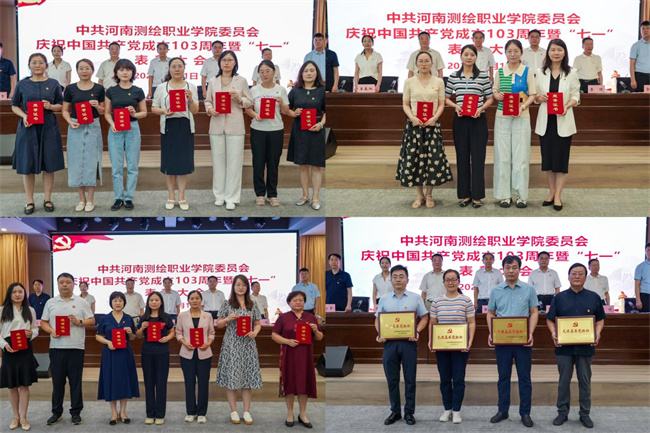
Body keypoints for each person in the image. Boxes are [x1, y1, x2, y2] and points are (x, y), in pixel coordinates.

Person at [546, 263, 606, 429]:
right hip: (563, 348)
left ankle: (584, 414)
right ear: (568, 277)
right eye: (574, 273)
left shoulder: (594, 297)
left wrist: (598, 333)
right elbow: (550, 319)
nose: (577, 276)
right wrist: (553, 332)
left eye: (580, 274)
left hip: (585, 347)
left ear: (586, 277)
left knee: (585, 381)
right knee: (564, 381)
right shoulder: (559, 297)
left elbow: (600, 319)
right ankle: (562, 412)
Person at [487, 255, 538, 428]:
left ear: (519, 269)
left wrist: (530, 332)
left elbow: (534, 312)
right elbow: (490, 313)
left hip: (522, 340)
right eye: (507, 267)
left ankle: (525, 413)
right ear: (503, 269)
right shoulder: (496, 290)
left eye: (514, 267)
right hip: (502, 340)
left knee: (525, 378)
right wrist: (492, 332)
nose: (511, 271)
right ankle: (503, 410)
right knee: (503, 376)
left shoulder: (529, 289)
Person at [11, 53, 64, 215]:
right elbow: (14, 105)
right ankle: (30, 201)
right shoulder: (22, 84)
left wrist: (50, 106)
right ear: (29, 66)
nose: (37, 65)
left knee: (49, 165)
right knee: (27, 165)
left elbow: (60, 105)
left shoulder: (53, 83)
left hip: (48, 127)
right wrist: (24, 116)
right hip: (28, 127)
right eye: (34, 62)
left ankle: (47, 199)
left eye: (41, 62)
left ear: (46, 66)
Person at [398, 51, 453, 208]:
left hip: (432, 126)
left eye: (427, 61)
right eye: (421, 61)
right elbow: (405, 104)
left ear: (432, 64)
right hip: (414, 126)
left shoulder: (439, 82)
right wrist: (412, 118)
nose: (424, 64)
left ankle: (429, 195)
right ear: (416, 64)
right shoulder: (409, 82)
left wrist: (434, 118)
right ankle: (419, 195)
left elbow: (441, 103)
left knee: (432, 160)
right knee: (414, 160)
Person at [376, 265, 429, 426]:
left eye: (401, 276)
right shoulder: (384, 299)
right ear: (390, 280)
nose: (398, 279)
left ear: (407, 280)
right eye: (395, 276)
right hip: (390, 344)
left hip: (408, 344)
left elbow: (424, 318)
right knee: (392, 379)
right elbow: (377, 320)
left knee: (410, 379)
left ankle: (409, 412)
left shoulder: (415, 298)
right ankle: (395, 411)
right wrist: (380, 333)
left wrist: (417, 331)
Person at [40, 272, 94, 426]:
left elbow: (91, 320)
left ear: (73, 284)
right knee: (57, 382)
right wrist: (51, 331)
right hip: (56, 348)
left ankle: (76, 413)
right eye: (62, 282)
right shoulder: (51, 302)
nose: (65, 285)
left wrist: (78, 322)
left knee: (75, 382)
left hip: (76, 348)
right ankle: (56, 412)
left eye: (68, 282)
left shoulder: (82, 302)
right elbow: (43, 322)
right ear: (57, 284)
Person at [445, 44, 494, 208]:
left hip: (478, 120)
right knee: (462, 157)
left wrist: (481, 108)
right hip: (460, 120)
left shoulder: (483, 76)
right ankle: (465, 195)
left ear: (476, 57)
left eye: (472, 55)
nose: (469, 57)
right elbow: (445, 97)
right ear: (461, 57)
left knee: (478, 158)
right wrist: (455, 106)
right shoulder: (453, 76)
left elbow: (490, 98)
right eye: (466, 54)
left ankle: (477, 196)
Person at [535, 39, 580, 212]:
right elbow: (536, 95)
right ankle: (551, 192)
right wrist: (539, 98)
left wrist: (567, 106)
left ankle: (558, 195)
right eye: (553, 49)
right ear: (548, 52)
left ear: (564, 52)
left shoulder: (572, 72)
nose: (556, 53)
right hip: (546, 122)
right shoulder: (540, 72)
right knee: (548, 160)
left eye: (559, 50)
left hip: (563, 120)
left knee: (560, 161)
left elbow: (576, 95)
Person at [204, 50, 252, 211]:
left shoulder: (241, 80)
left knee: (234, 163)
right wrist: (210, 109)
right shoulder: (213, 81)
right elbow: (208, 101)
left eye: (230, 60)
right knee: (218, 163)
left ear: (235, 63)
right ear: (219, 63)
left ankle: (231, 197)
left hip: (235, 126)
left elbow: (249, 101)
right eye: (224, 60)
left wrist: (239, 99)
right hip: (216, 126)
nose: (226, 63)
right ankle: (219, 196)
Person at [492, 39, 537, 209]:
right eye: (509, 51)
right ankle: (504, 195)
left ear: (521, 53)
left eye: (516, 51)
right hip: (502, 117)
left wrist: (523, 106)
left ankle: (521, 195)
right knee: (502, 157)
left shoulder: (527, 71)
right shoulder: (500, 72)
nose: (512, 54)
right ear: (505, 53)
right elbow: (495, 90)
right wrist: (497, 95)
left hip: (522, 117)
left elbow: (533, 94)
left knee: (521, 157)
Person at [428, 270, 476, 424]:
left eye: (453, 279)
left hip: (460, 347)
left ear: (459, 281)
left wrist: (469, 341)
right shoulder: (436, 302)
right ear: (443, 282)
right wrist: (431, 341)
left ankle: (456, 411)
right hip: (442, 347)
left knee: (459, 379)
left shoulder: (466, 300)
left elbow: (471, 323)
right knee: (444, 379)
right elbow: (433, 323)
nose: (450, 282)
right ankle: (447, 409)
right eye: (447, 280)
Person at [152, 57, 199, 211]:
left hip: (185, 127)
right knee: (170, 164)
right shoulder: (162, 87)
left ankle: (182, 196)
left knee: (184, 163)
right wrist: (164, 111)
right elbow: (154, 108)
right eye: (174, 66)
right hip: (168, 127)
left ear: (184, 68)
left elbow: (195, 111)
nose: (177, 69)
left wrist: (190, 100)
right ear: (169, 69)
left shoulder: (191, 86)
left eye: (180, 66)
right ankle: (171, 196)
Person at [271, 291, 323, 428]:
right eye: (295, 300)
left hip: (305, 356)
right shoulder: (283, 317)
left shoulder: (311, 317)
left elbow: (319, 337)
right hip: (289, 355)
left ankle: (303, 414)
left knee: (303, 384)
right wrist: (287, 341)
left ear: (304, 302)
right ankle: (290, 414)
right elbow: (274, 335)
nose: (298, 302)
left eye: (301, 300)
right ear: (289, 303)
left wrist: (315, 330)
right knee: (289, 383)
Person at [216, 275, 263, 425]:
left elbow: (257, 323)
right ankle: (234, 411)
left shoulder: (253, 304)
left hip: (248, 345)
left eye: (243, 285)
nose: (240, 287)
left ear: (247, 287)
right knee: (232, 377)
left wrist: (255, 332)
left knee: (247, 378)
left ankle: (247, 411)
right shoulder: (227, 303)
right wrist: (227, 319)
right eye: (237, 284)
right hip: (232, 345)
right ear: (233, 287)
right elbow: (219, 324)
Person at [62, 58, 105, 212]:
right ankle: (81, 199)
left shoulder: (99, 88)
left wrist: (98, 106)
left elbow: (103, 111)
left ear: (92, 70)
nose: (84, 71)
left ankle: (91, 199)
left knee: (92, 162)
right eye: (81, 68)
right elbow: (65, 110)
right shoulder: (70, 89)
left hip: (93, 126)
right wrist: (70, 122)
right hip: (76, 126)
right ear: (77, 70)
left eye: (87, 68)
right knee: (76, 162)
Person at [245, 60, 289, 207]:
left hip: (276, 130)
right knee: (258, 163)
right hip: (258, 130)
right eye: (261, 72)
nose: (264, 74)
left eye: (267, 71)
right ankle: (259, 194)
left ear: (274, 72)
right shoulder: (254, 90)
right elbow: (248, 109)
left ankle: (272, 194)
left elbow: (285, 111)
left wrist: (281, 103)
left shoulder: (281, 89)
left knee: (273, 163)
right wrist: (255, 115)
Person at [104, 58, 147, 211]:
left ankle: (129, 197)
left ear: (132, 72)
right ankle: (118, 197)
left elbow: (144, 113)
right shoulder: (111, 91)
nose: (125, 72)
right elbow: (107, 113)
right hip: (115, 130)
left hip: (132, 129)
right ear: (116, 72)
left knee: (132, 165)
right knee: (116, 166)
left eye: (128, 70)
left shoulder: (138, 91)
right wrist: (112, 124)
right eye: (121, 69)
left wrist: (134, 114)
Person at [286, 60, 326, 210]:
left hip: (316, 130)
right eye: (306, 71)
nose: (309, 73)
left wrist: (321, 124)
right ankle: (305, 195)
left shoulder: (322, 90)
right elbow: (287, 109)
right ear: (301, 74)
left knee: (316, 166)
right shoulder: (295, 91)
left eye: (312, 70)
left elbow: (327, 112)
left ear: (317, 73)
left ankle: (315, 198)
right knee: (303, 165)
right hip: (300, 131)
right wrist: (293, 112)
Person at [95, 292, 139, 424]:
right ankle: (114, 412)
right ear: (111, 303)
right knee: (111, 380)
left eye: (120, 300)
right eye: (115, 300)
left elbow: (133, 338)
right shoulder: (105, 318)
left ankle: (123, 412)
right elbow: (98, 336)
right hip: (110, 353)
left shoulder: (128, 318)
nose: (118, 303)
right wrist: (108, 342)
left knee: (124, 380)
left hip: (125, 354)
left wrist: (130, 333)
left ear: (124, 303)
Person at [0, 282, 39, 431]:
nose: (17, 294)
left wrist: (32, 333)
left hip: (25, 348)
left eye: (20, 292)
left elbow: (35, 329)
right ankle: (15, 417)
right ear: (9, 294)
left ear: (24, 294)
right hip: (9, 348)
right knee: (12, 385)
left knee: (24, 384)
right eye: (14, 292)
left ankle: (23, 418)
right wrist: (4, 345)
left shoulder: (30, 310)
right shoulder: (2, 310)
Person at [136, 291, 175, 425]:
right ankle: (150, 414)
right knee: (149, 383)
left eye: (156, 300)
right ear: (148, 302)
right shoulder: (144, 317)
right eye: (151, 300)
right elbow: (138, 336)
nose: (154, 302)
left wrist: (167, 338)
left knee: (161, 383)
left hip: (162, 352)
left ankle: (160, 414)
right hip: (147, 353)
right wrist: (142, 328)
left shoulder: (166, 317)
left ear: (161, 302)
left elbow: (172, 331)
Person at [175, 290, 215, 424]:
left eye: (197, 298)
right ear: (188, 301)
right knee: (189, 383)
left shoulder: (207, 316)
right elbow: (178, 332)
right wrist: (185, 343)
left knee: (203, 383)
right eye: (192, 298)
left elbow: (211, 333)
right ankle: (191, 412)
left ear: (201, 300)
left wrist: (208, 343)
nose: (195, 300)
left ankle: (202, 412)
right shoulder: (182, 315)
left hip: (204, 353)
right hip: (187, 354)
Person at [630, 21, 650, 92]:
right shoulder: (635, 46)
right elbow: (632, 64)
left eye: (648, 28)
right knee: (640, 98)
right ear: (640, 31)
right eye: (643, 29)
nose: (645, 31)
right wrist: (632, 80)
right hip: (640, 77)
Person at [634, 243, 650, 313]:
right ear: (645, 252)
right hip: (645, 297)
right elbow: (637, 285)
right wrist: (638, 300)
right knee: (645, 318)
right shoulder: (640, 267)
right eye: (648, 250)